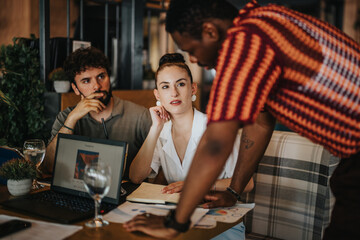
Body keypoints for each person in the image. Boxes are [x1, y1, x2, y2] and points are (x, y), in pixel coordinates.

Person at [123, 0, 360, 239]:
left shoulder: (245, 51)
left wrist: (175, 222)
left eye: (192, 50)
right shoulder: (261, 20)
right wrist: (234, 192)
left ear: (210, 31)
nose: (193, 60)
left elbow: (216, 145)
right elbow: (261, 122)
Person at [129, 53, 253, 240]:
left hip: (218, 221)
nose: (173, 93)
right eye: (165, 87)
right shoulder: (162, 130)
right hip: (178, 218)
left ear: (193, 88)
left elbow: (248, 183)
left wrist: (194, 185)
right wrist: (155, 128)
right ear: (157, 95)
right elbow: (136, 176)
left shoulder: (217, 127)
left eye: (180, 84)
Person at [43, 47, 152, 179]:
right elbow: (49, 165)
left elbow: (162, 163)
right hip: (80, 194)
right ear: (75, 89)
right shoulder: (67, 117)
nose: (97, 86)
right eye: (86, 81)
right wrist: (72, 120)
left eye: (101, 76)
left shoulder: (139, 115)